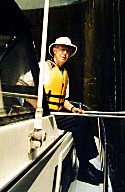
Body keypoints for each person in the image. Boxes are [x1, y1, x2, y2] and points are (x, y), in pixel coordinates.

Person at [19, 36, 104, 185]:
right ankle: (84, 169)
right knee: (79, 122)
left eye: (68, 51)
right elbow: (20, 83)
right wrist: (36, 105)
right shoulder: (43, 67)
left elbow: (63, 99)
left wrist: (72, 108)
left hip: (57, 114)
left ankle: (86, 164)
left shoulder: (64, 73)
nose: (65, 53)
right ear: (54, 51)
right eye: (62, 50)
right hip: (45, 115)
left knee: (83, 118)